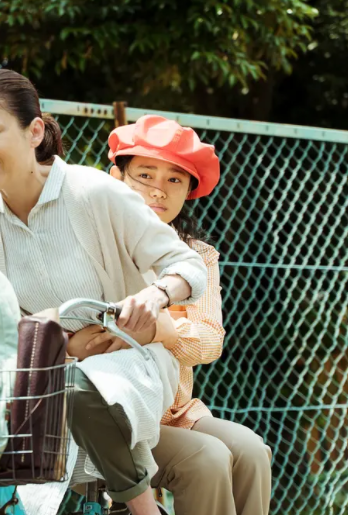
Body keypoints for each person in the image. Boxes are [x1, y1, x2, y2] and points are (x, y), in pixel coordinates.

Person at [0, 69, 207, 515]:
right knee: (59, 385)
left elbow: (188, 266)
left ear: (34, 131)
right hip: (38, 368)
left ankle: (141, 510)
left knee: (75, 387)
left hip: (132, 359)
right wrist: (50, 335)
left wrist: (154, 297)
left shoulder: (93, 191)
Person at [79, 114, 271, 515]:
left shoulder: (197, 256)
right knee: (206, 459)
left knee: (252, 450)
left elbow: (210, 342)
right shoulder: (91, 244)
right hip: (117, 414)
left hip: (177, 411)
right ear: (116, 177)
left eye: (174, 180)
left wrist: (163, 331)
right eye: (145, 174)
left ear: (188, 192)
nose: (158, 191)